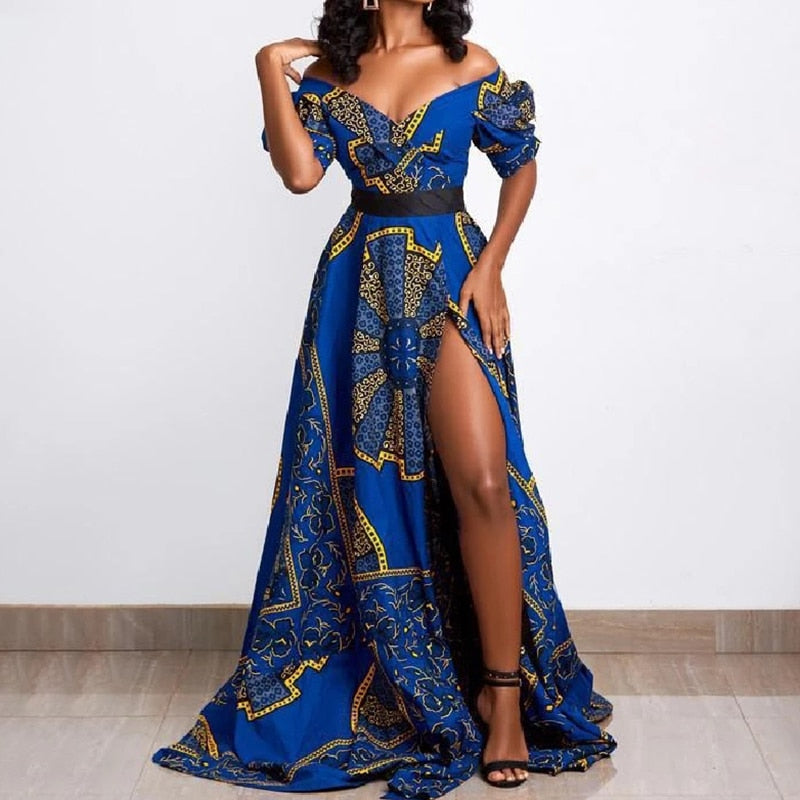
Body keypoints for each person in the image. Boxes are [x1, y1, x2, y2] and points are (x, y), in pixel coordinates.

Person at [151, 0, 617, 797]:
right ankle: (414, 678)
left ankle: (503, 698)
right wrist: (270, 67)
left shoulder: (470, 64)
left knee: (484, 481)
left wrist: (493, 267)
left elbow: (521, 164)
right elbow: (302, 175)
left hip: (453, 274)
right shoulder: (331, 73)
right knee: (368, 483)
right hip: (358, 284)